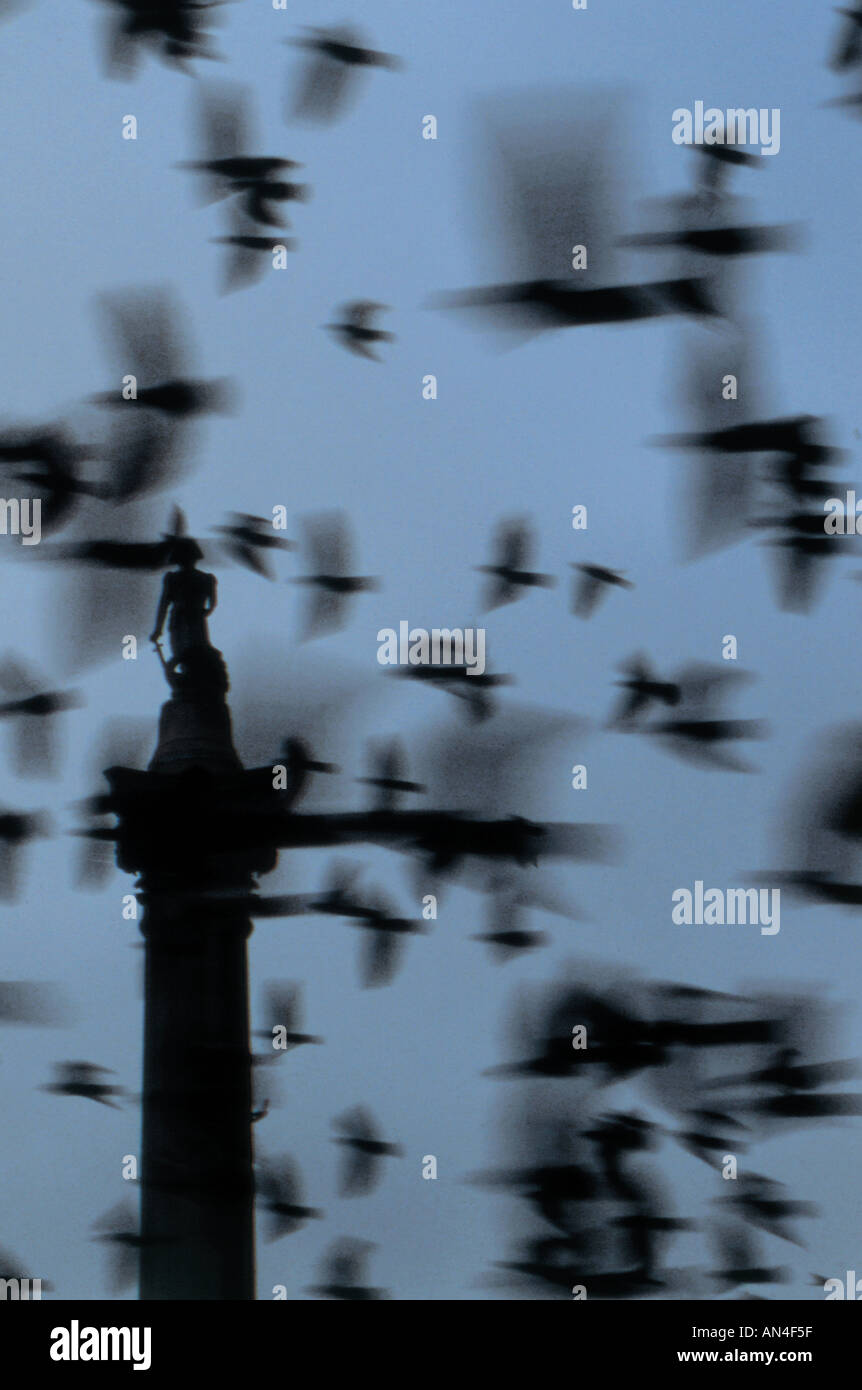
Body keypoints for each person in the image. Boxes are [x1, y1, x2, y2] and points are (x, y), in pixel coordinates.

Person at [149, 537, 217, 661]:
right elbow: (212, 605)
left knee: (185, 657)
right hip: (194, 622)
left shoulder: (172, 579)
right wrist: (203, 612)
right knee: (196, 657)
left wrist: (158, 630)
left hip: (180, 622)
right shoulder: (206, 579)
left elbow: (163, 606)